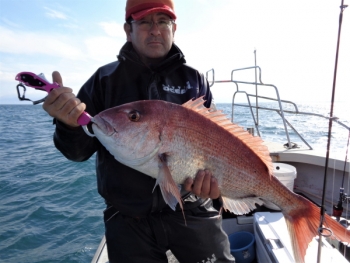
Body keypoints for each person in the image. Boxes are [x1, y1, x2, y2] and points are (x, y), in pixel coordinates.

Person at [43, 0, 235, 262]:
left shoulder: (194, 79)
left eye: (163, 21)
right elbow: (77, 153)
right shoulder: (103, 81)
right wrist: (67, 124)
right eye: (144, 21)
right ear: (128, 29)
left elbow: (219, 145)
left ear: (174, 28)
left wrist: (216, 189)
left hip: (192, 210)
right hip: (127, 218)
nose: (155, 29)